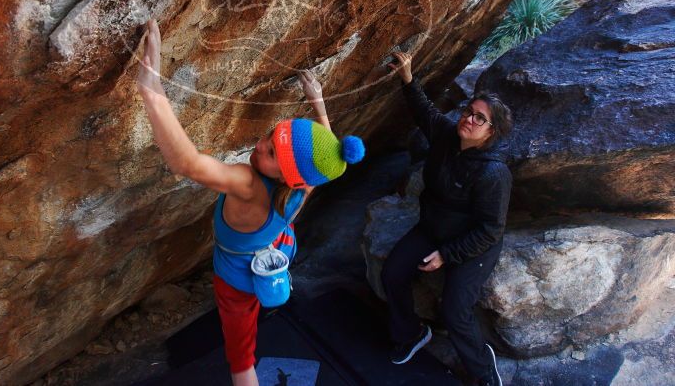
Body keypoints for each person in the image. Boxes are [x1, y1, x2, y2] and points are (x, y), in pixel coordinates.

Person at [135, 19, 365, 386]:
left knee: (241, 359)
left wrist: (152, 89)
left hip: (237, 280)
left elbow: (187, 164)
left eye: (271, 152)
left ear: (287, 173)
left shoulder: (247, 184)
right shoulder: (302, 188)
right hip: (278, 245)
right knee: (250, 322)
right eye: (269, 137)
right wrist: (318, 103)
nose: (260, 146)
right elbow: (329, 161)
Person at [381, 51, 513, 386]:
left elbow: (490, 230)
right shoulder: (446, 136)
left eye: (479, 118)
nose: (469, 119)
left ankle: (484, 369)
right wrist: (407, 76)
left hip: (473, 245)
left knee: (455, 310)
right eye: (470, 112)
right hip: (433, 229)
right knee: (393, 272)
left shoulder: (493, 173)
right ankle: (411, 334)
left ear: (491, 132)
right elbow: (423, 111)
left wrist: (447, 255)